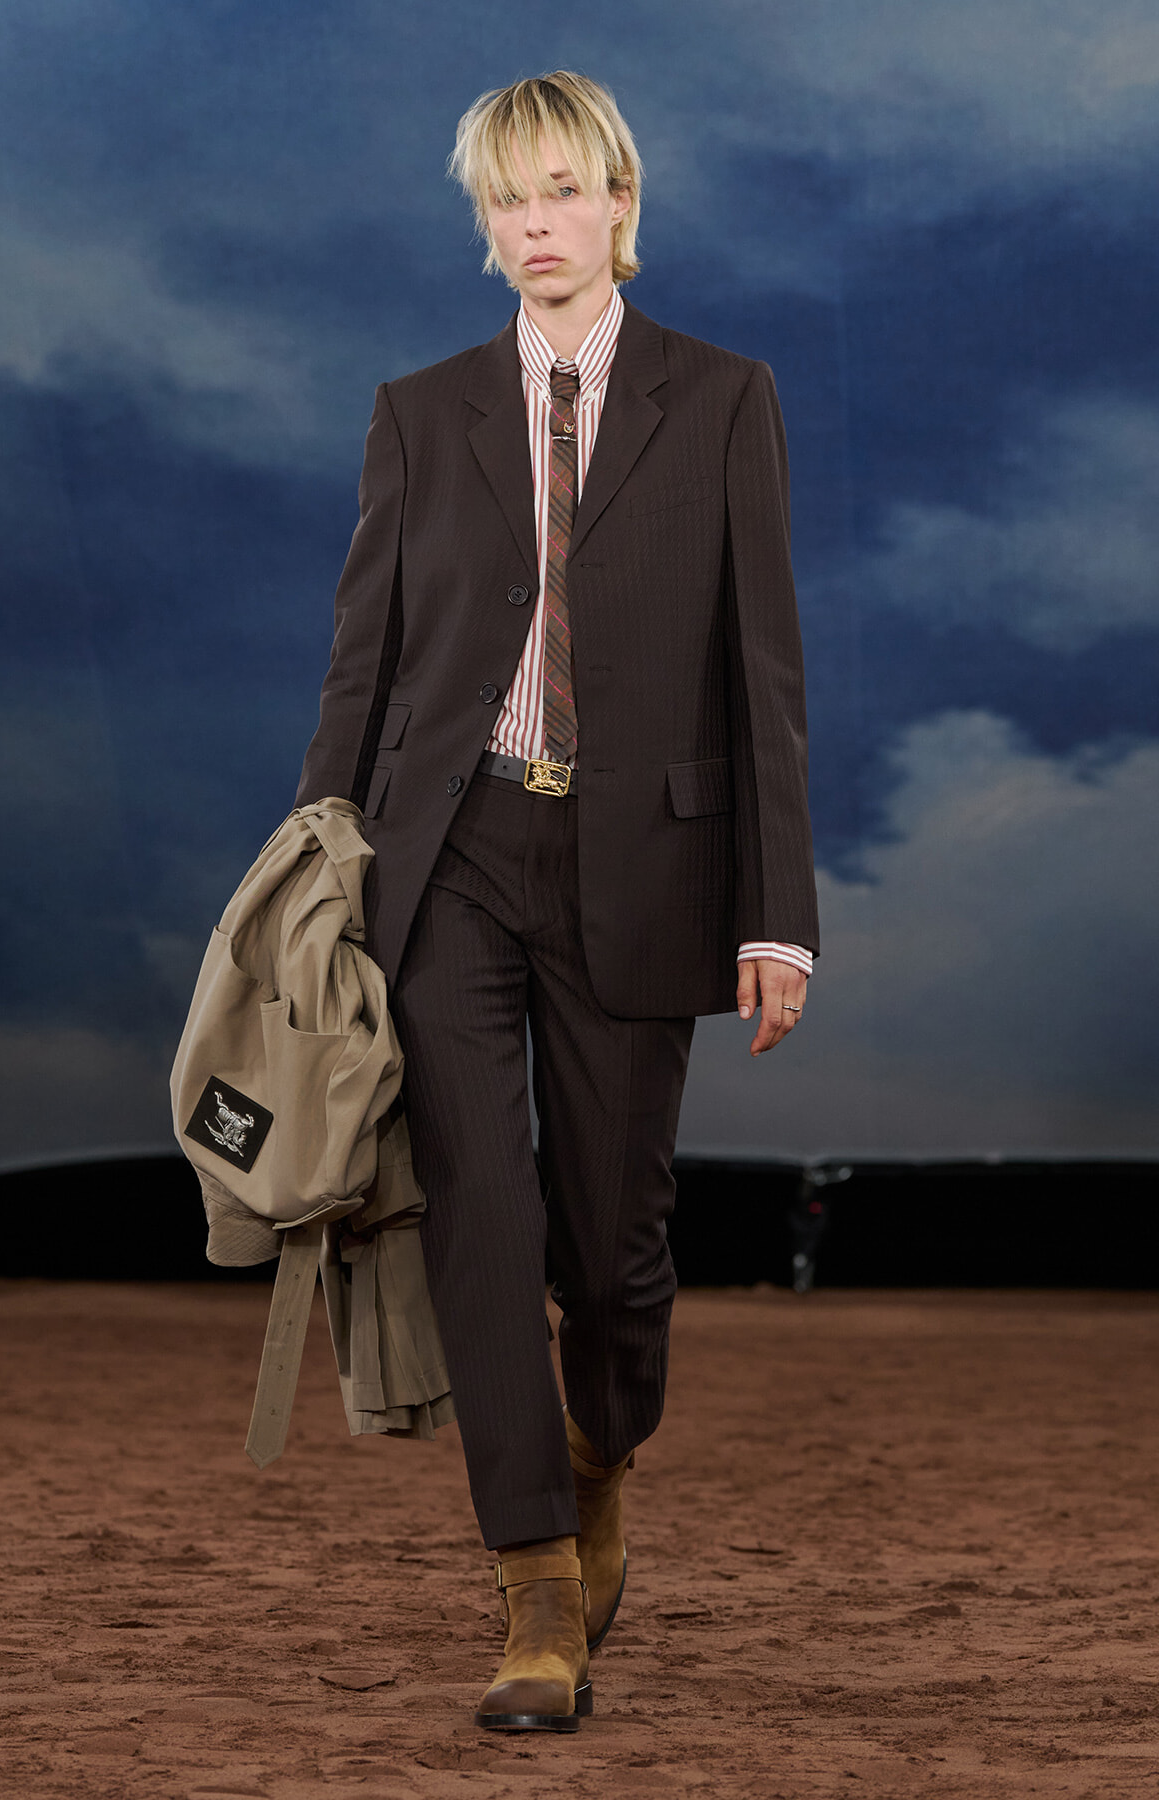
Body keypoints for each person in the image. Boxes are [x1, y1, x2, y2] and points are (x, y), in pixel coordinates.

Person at [295, 71, 818, 1732]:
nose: (536, 225)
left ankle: (600, 1454)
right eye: (507, 199)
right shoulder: (418, 411)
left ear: (621, 205)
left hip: (644, 864)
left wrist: (777, 911)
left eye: (563, 191)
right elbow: (363, 666)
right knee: (480, 1216)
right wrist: (317, 874)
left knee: (613, 1248)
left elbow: (764, 669)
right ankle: (531, 1580)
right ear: (485, 223)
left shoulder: (722, 399)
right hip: (447, 856)